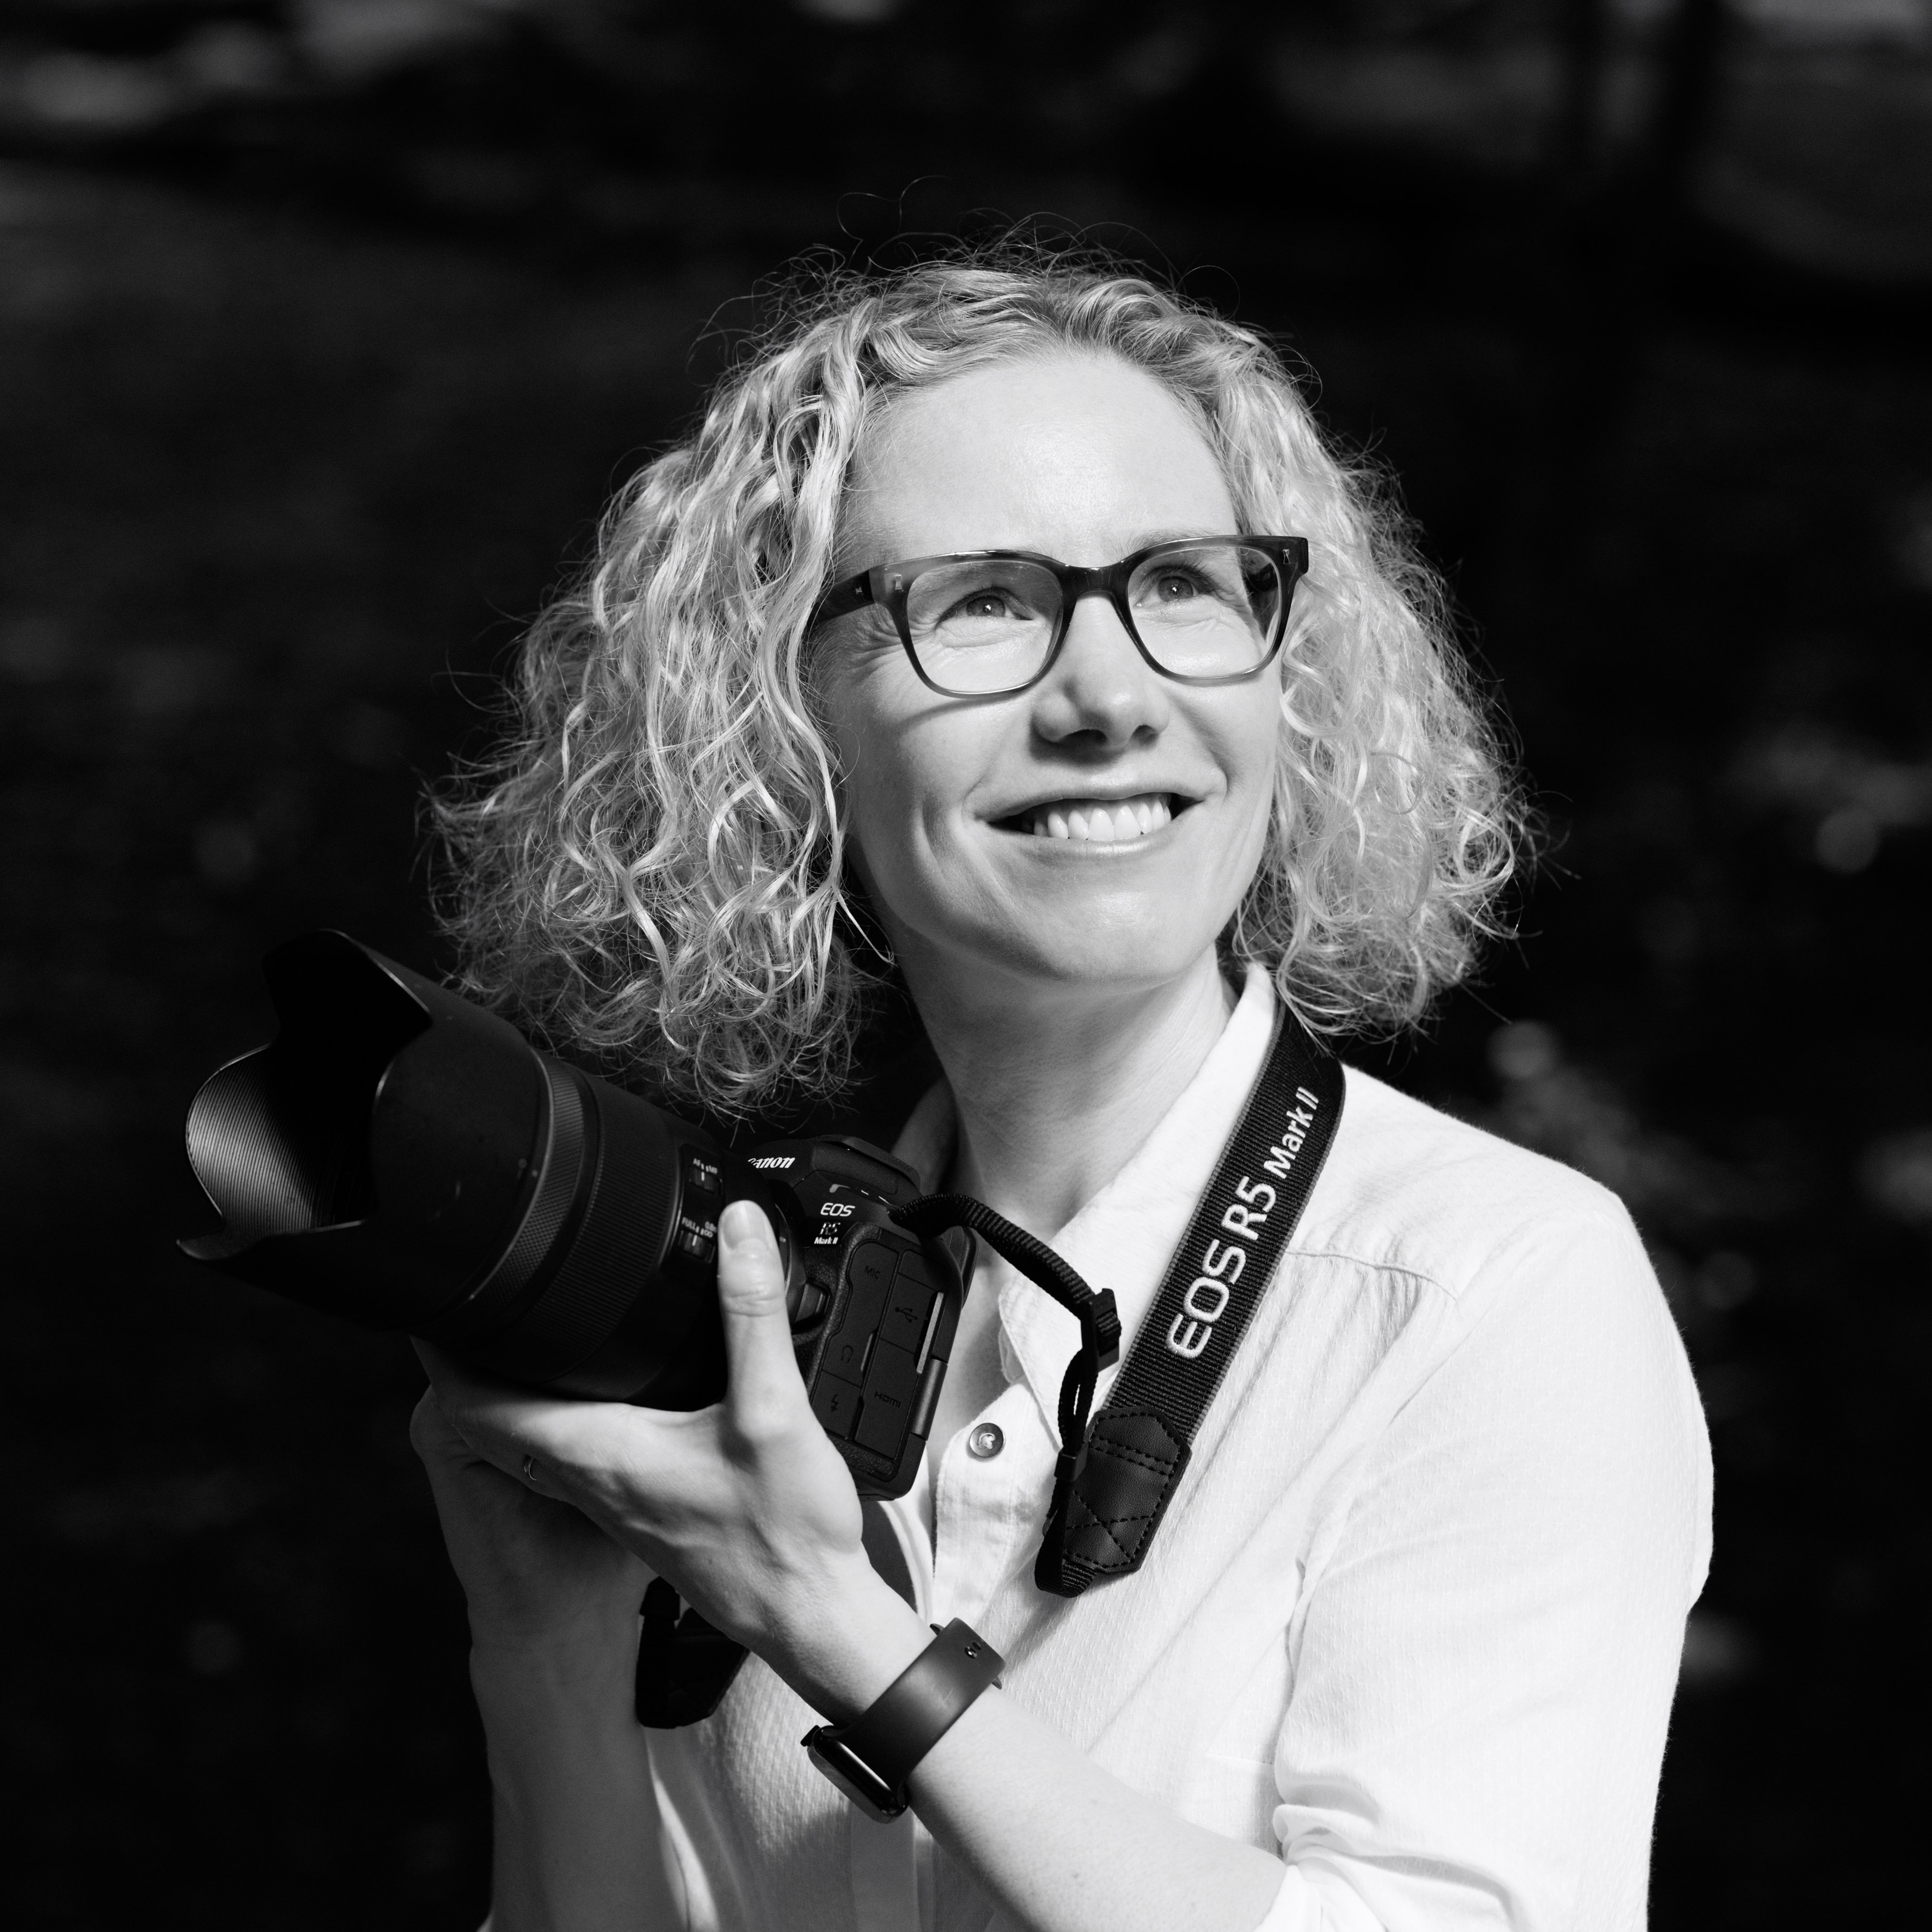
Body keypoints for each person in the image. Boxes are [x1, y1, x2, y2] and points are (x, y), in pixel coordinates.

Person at [411, 250, 1712, 1932]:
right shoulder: (756, 1328)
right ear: (783, 718)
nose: (1108, 696)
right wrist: (542, 1644)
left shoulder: (1485, 1289)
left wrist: (837, 1620)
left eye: (1182, 583)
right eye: (982, 604)